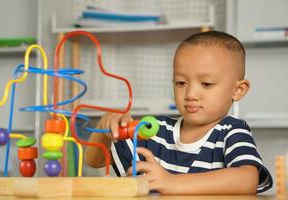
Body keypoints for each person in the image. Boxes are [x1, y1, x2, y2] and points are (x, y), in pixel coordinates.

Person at [86, 31, 273, 194]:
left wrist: (173, 182)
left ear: (238, 90)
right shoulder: (156, 130)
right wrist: (105, 126)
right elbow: (94, 161)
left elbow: (248, 179)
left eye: (206, 84)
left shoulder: (231, 131)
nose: (190, 94)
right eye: (181, 83)